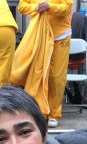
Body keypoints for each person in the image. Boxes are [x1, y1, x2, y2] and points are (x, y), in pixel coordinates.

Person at [16, 0, 73, 128]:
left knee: (56, 76)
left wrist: (50, 7)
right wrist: (36, 7)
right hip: (39, 35)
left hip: (61, 36)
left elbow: (67, 8)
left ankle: (54, 113)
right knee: (38, 73)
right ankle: (39, 111)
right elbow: (22, 6)